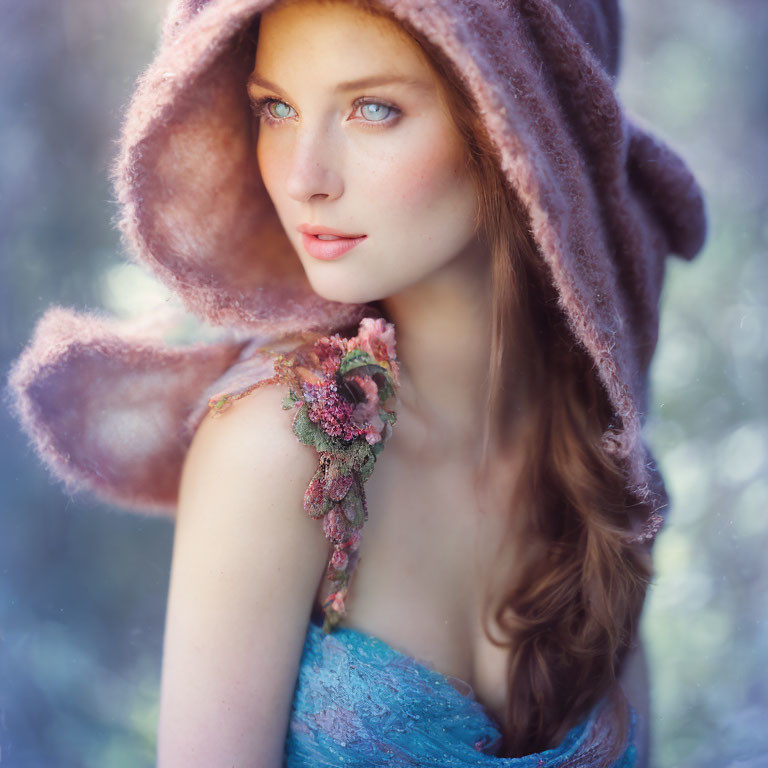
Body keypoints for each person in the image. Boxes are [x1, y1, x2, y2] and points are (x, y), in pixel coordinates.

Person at [5, 0, 707, 765]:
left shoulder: (604, 466)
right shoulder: (279, 446)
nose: (305, 177)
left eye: (373, 108)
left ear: (511, 122)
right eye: (276, 108)